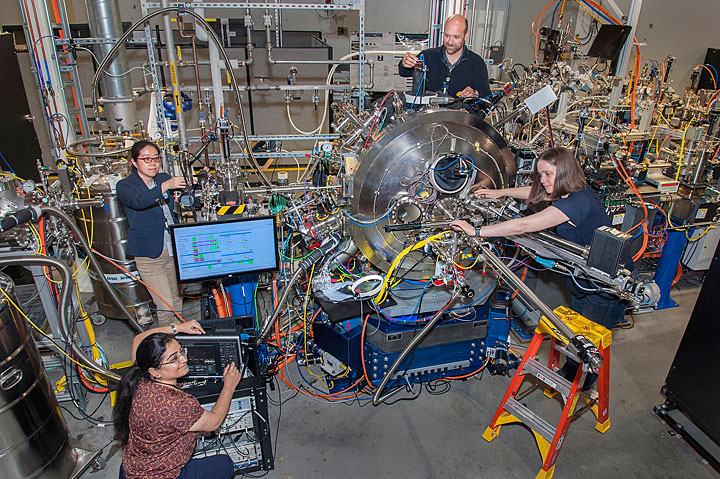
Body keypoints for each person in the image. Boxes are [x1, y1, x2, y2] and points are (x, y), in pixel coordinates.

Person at [451, 147, 628, 386]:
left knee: (587, 338)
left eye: (547, 175)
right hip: (583, 277)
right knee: (577, 329)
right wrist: (498, 193)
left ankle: (580, 381)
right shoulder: (568, 192)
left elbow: (523, 226)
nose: (542, 180)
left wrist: (477, 231)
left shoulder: (577, 203)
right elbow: (535, 193)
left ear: (564, 173)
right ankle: (571, 370)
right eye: (540, 174)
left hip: (605, 287)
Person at [114, 320, 241, 479]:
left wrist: (178, 328)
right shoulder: (177, 404)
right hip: (162, 475)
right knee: (224, 465)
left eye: (182, 351)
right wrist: (229, 386)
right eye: (173, 359)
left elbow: (139, 339)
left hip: (131, 470)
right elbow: (214, 422)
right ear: (155, 371)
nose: (183, 359)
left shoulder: (140, 377)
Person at [116, 140, 186, 327]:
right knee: (165, 305)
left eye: (156, 158)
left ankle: (180, 338)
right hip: (149, 254)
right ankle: (164, 346)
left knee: (177, 298)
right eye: (146, 159)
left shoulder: (163, 178)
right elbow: (139, 201)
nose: (153, 163)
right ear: (133, 162)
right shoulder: (125, 186)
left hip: (172, 249)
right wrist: (165, 186)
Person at [398, 14, 491, 100]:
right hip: (429, 116)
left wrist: (475, 94)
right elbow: (404, 72)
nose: (450, 42)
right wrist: (404, 63)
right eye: (447, 36)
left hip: (459, 116)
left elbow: (487, 97)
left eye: (456, 37)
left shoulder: (476, 63)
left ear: (466, 35)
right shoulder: (428, 57)